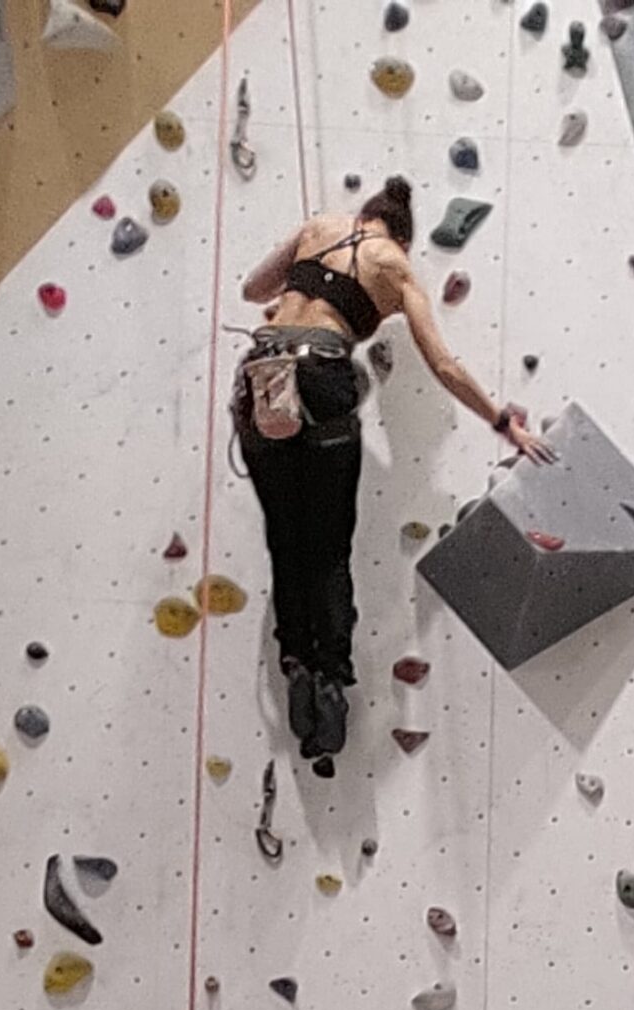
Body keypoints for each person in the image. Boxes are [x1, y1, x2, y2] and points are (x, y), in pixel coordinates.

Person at [235, 176, 553, 769]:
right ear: (403, 237)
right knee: (329, 546)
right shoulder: (397, 267)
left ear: (365, 214)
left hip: (264, 380)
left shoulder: (319, 227)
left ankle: (295, 660)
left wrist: (295, 293)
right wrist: (502, 422)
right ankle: (330, 675)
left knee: (286, 537)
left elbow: (254, 289)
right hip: (324, 377)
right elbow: (444, 364)